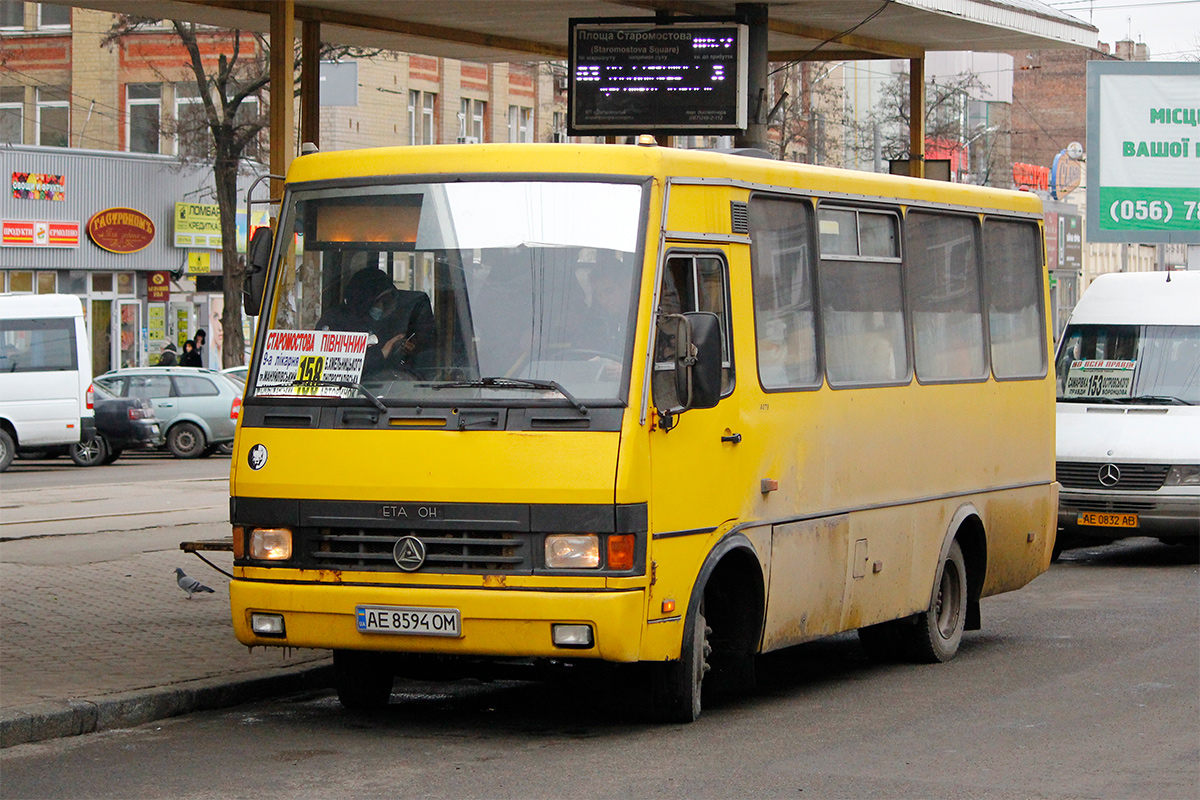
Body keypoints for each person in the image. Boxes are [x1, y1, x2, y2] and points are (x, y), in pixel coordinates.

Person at [315, 267, 435, 375]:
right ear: (364, 300)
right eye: (380, 301)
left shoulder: (391, 321)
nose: (384, 307)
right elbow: (332, 366)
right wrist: (382, 353)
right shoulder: (335, 321)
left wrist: (402, 349)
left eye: (389, 300)